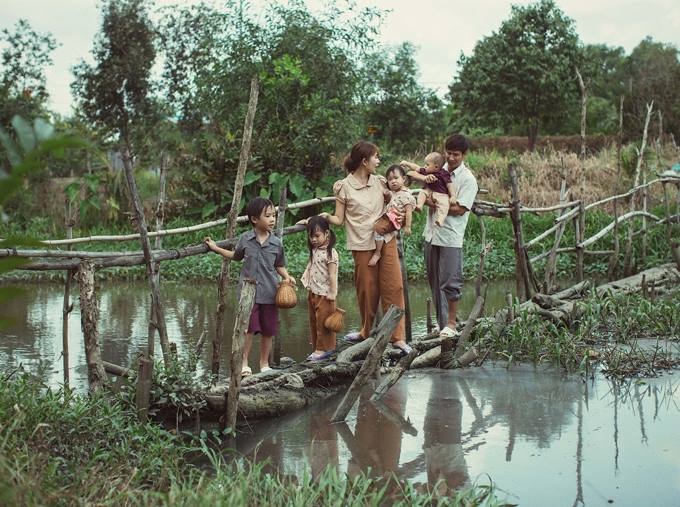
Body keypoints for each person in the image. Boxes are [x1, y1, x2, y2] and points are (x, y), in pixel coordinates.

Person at [304, 141, 411, 355]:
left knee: (394, 286)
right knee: (367, 290)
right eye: (376, 157)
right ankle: (366, 331)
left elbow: (398, 199)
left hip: (385, 239)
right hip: (362, 244)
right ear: (364, 161)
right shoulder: (344, 186)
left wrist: (399, 213)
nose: (379, 161)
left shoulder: (381, 182)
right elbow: (338, 218)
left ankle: (397, 337)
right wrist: (317, 218)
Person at [205, 197, 296, 375]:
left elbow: (279, 265)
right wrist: (216, 248)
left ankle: (264, 364)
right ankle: (244, 362)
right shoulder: (245, 239)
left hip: (270, 293)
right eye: (268, 215)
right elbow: (236, 256)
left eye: (274, 216)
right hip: (248, 295)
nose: (272, 219)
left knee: (268, 330)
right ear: (254, 219)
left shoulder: (276, 243)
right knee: (248, 328)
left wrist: (287, 276)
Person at [422, 134, 478, 339]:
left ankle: (452, 324)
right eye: (449, 153)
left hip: (450, 238)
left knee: (450, 281)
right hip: (431, 235)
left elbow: (459, 209)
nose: (452, 158)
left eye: (456, 154)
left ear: (464, 155)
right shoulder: (437, 170)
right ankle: (442, 324)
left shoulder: (468, 179)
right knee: (434, 282)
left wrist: (432, 201)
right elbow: (424, 190)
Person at [301, 215, 339, 361]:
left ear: (327, 234)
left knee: (324, 323)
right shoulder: (316, 249)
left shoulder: (331, 253)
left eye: (317, 236)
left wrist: (332, 292)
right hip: (314, 292)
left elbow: (333, 274)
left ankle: (324, 349)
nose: (314, 239)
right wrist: (307, 222)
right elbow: (309, 224)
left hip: (325, 293)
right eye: (311, 237)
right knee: (314, 321)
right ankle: (317, 347)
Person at [368, 164, 416, 267]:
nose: (393, 181)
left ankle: (377, 253)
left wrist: (408, 226)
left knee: (378, 229)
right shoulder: (395, 192)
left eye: (396, 178)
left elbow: (408, 212)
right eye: (390, 180)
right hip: (389, 217)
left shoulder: (406, 195)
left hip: (393, 220)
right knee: (377, 226)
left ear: (403, 179)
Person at [401, 152, 456, 226]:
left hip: (441, 194)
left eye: (427, 165)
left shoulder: (444, 174)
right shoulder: (427, 171)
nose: (425, 166)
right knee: (422, 193)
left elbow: (449, 185)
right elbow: (416, 168)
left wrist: (453, 195)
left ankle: (440, 219)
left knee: (444, 205)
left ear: (436, 167)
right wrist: (407, 163)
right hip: (428, 191)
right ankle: (419, 205)